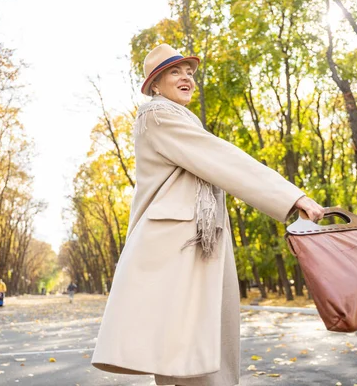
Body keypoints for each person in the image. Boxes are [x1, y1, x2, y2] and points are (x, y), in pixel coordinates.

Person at [91, 44, 324, 386]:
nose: (186, 77)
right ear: (154, 85)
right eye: (175, 72)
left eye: (189, 72)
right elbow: (221, 159)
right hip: (177, 243)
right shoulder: (156, 113)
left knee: (189, 346)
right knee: (190, 345)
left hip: (199, 236)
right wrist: (292, 197)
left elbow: (214, 163)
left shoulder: (180, 117)